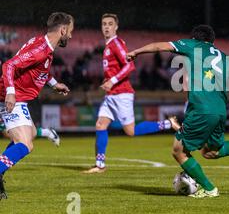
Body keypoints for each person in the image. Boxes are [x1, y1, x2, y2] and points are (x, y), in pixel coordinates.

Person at [127, 25, 229, 198]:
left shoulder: (192, 45)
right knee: (211, 152)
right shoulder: (224, 57)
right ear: (212, 41)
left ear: (195, 38)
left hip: (202, 109)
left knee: (179, 151)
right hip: (220, 110)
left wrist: (136, 52)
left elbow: (160, 46)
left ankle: (209, 189)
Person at [83, 14, 179, 174]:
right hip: (111, 95)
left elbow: (130, 66)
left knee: (131, 131)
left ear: (116, 27)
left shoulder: (116, 44)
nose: (106, 27)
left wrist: (112, 81)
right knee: (100, 125)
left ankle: (168, 124)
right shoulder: (107, 46)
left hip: (121, 94)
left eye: (110, 24)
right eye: (104, 24)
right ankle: (100, 165)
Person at [0, 12, 74, 200]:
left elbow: (40, 70)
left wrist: (54, 84)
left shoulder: (43, 45)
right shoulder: (41, 49)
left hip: (17, 96)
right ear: (63, 29)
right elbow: (9, 65)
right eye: (70, 31)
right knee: (25, 144)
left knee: (30, 134)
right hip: (10, 96)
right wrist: (10, 91)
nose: (71, 36)